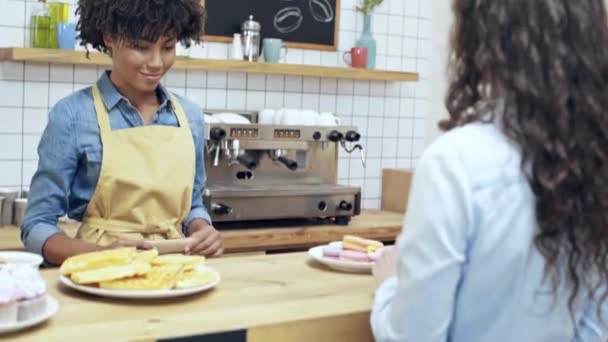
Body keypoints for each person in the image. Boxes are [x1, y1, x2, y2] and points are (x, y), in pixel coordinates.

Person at [371, 0, 608, 341]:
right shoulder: (594, 163)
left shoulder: (453, 164)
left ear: (482, 38)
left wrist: (390, 285)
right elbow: (592, 329)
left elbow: (412, 337)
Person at [21, 0, 223, 265]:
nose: (156, 63)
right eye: (141, 47)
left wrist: (202, 229)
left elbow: (192, 205)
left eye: (168, 47)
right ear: (110, 36)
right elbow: (37, 226)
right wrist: (101, 255)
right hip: (101, 275)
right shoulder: (72, 116)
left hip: (178, 271)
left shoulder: (190, 117)